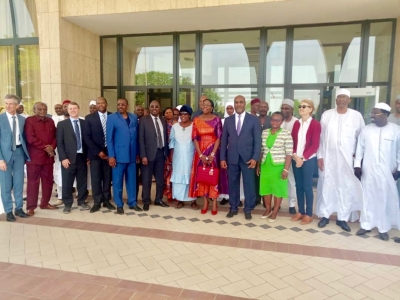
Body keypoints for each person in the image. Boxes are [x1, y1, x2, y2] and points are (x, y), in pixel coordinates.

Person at [316, 89, 365, 232]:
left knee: (345, 187)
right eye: (339, 97)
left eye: (344, 97)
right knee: (327, 185)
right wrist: (320, 156)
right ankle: (325, 215)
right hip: (328, 157)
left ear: (349, 100)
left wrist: (358, 158)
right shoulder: (327, 115)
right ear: (336, 100)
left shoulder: (356, 116)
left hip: (347, 159)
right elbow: (321, 138)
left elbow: (361, 139)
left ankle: (342, 218)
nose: (341, 99)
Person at [354, 102, 400, 241]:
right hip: (369, 170)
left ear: (385, 115)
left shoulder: (396, 130)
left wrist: (399, 169)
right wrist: (357, 166)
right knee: (367, 197)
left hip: (388, 172)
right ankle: (366, 225)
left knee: (384, 198)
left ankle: (383, 227)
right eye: (372, 113)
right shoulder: (367, 130)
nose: (372, 115)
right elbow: (359, 149)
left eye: (376, 113)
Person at [220, 95, 261, 220]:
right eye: (236, 102)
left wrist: (255, 158)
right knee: (233, 184)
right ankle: (233, 207)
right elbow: (223, 141)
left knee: (249, 184)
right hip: (231, 157)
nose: (238, 104)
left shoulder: (253, 120)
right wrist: (222, 158)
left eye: (241, 102)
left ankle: (248, 209)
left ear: (245, 104)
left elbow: (257, 141)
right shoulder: (228, 120)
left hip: (248, 158)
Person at [107, 98, 142, 214]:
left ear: (127, 105)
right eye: (118, 105)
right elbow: (109, 139)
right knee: (117, 181)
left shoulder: (133, 117)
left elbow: (135, 137)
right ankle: (119, 204)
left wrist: (137, 153)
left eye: (123, 104)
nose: (120, 106)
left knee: (132, 180)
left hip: (132, 155)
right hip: (118, 156)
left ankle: (132, 202)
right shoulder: (112, 118)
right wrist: (111, 155)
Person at [258, 112, 293, 222]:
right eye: (272, 120)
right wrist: (259, 165)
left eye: (277, 120)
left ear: (282, 122)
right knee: (266, 189)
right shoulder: (264, 133)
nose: (274, 122)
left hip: (279, 166)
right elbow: (262, 150)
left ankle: (275, 211)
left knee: (278, 190)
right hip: (265, 165)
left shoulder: (286, 134)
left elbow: (289, 153)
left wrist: (286, 169)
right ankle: (268, 210)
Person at [0, 94, 30, 222]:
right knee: (6, 184)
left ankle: (18, 208)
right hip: (5, 156)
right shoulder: (0, 119)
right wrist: (0, 159)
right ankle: (8, 211)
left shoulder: (22, 119)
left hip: (19, 153)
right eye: (6, 103)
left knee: (19, 183)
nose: (8, 106)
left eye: (11, 103)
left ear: (17, 105)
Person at [83, 96, 115, 213]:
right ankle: (97, 202)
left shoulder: (113, 116)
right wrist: (97, 151)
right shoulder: (89, 118)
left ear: (106, 104)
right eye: (98, 103)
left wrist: (111, 152)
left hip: (109, 152)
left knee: (107, 178)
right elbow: (87, 137)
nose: (101, 105)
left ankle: (106, 200)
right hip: (95, 154)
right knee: (96, 178)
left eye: (103, 103)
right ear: (96, 105)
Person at [189, 99, 222, 215]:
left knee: (212, 176)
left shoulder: (217, 119)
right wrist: (201, 154)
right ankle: (205, 202)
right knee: (202, 176)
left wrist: (213, 154)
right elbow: (195, 138)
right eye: (204, 104)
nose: (205, 106)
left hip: (213, 151)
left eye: (208, 105)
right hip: (201, 151)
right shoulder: (196, 120)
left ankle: (214, 202)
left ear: (212, 107)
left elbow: (219, 137)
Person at [291, 99, 321, 225]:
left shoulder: (315, 124)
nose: (301, 108)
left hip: (308, 160)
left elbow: (315, 145)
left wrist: (302, 158)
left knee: (307, 187)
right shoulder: (297, 123)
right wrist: (295, 157)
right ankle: (301, 211)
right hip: (296, 159)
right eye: (300, 106)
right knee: (299, 186)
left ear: (311, 109)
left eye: (305, 106)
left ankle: (309, 213)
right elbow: (292, 141)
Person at [25, 102, 57, 216]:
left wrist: (52, 147)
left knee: (48, 182)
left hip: (48, 159)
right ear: (34, 110)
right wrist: (46, 147)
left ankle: (45, 203)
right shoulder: (30, 121)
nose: (42, 111)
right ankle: (31, 207)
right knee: (33, 183)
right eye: (39, 109)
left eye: (44, 109)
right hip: (34, 159)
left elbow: (55, 136)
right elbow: (30, 139)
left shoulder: (51, 121)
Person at [57, 102, 89, 214]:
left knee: (82, 181)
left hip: (82, 157)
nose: (73, 110)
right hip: (68, 158)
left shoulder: (84, 123)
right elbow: (59, 143)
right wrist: (63, 158)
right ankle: (67, 204)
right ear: (68, 110)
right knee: (67, 182)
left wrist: (88, 156)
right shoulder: (62, 124)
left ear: (79, 109)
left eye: (75, 108)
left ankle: (82, 201)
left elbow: (87, 141)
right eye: (70, 109)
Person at [139, 100, 169, 211]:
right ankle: (146, 201)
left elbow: (165, 137)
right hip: (148, 155)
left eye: (156, 106)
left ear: (159, 108)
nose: (154, 108)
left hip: (161, 153)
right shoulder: (143, 120)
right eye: (152, 106)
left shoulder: (163, 120)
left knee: (160, 179)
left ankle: (158, 199)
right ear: (149, 108)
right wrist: (143, 156)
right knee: (146, 179)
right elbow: (141, 139)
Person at [170, 105, 197, 209]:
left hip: (191, 157)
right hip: (177, 157)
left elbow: (197, 142)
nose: (183, 116)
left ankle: (193, 201)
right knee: (179, 179)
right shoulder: (175, 127)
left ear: (190, 115)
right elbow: (171, 142)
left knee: (191, 177)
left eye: (185, 114)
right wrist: (171, 157)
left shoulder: (194, 125)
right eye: (181, 114)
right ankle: (180, 200)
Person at [219, 102, 245, 207]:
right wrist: (223, 156)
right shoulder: (223, 121)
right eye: (228, 108)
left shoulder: (242, 119)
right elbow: (223, 139)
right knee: (228, 178)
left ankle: (238, 198)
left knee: (240, 179)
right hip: (228, 153)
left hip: (241, 154)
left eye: (231, 108)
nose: (230, 110)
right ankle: (226, 197)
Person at [281, 99, 298, 214]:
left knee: (291, 181)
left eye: (287, 108)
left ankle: (292, 204)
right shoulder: (278, 121)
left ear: (292, 109)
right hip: (278, 156)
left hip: (291, 156)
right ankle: (278, 203)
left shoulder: (297, 122)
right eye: (282, 108)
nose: (284, 110)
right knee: (279, 180)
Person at [52, 100, 70, 206]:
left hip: (75, 153)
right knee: (60, 174)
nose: (66, 109)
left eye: (69, 107)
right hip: (61, 153)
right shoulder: (57, 121)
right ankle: (60, 196)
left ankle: (79, 195)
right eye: (65, 107)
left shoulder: (80, 120)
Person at [163, 107, 176, 202]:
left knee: (173, 172)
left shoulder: (176, 124)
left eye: (170, 112)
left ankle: (174, 193)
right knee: (166, 173)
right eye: (166, 112)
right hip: (164, 151)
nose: (168, 114)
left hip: (174, 151)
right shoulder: (161, 123)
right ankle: (167, 193)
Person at [135, 104, 144, 200]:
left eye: (142, 110)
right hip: (135, 155)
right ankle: (134, 197)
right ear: (134, 111)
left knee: (145, 177)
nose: (140, 111)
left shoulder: (146, 122)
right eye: (138, 110)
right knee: (134, 178)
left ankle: (145, 197)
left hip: (145, 155)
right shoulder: (132, 122)